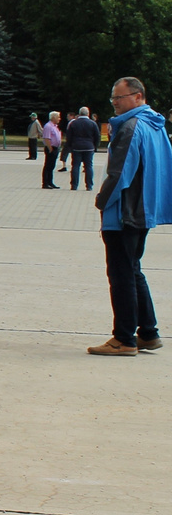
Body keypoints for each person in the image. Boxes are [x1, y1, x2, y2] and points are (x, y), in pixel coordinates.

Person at [87, 78, 172, 356]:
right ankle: (148, 332)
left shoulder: (132, 127)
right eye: (113, 97)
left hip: (124, 213)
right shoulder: (155, 126)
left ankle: (124, 339)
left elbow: (119, 173)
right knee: (133, 270)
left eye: (119, 97)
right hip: (143, 212)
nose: (114, 101)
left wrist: (101, 202)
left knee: (121, 274)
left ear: (137, 97)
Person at [67, 106, 102, 191]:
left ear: (79, 114)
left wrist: (71, 146)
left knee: (75, 166)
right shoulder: (93, 123)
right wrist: (94, 146)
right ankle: (89, 186)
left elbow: (69, 136)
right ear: (88, 113)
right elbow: (97, 136)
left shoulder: (73, 123)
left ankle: (74, 185)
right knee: (89, 166)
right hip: (89, 147)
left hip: (76, 147)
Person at [41, 110, 64, 189]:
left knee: (52, 166)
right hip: (51, 148)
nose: (59, 119)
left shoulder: (55, 126)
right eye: (58, 117)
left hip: (55, 148)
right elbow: (47, 138)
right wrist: (50, 149)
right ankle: (45, 183)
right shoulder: (48, 126)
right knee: (48, 165)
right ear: (53, 117)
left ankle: (50, 182)